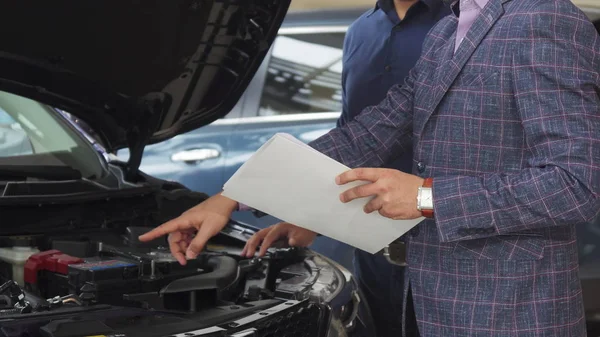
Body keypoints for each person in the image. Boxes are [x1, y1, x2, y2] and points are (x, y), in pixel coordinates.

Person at [140, 0, 600, 335]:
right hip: (426, 299)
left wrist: (424, 196)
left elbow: (577, 184)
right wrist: (229, 197)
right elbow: (367, 134)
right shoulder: (448, 31)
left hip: (511, 311)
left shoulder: (544, 18)